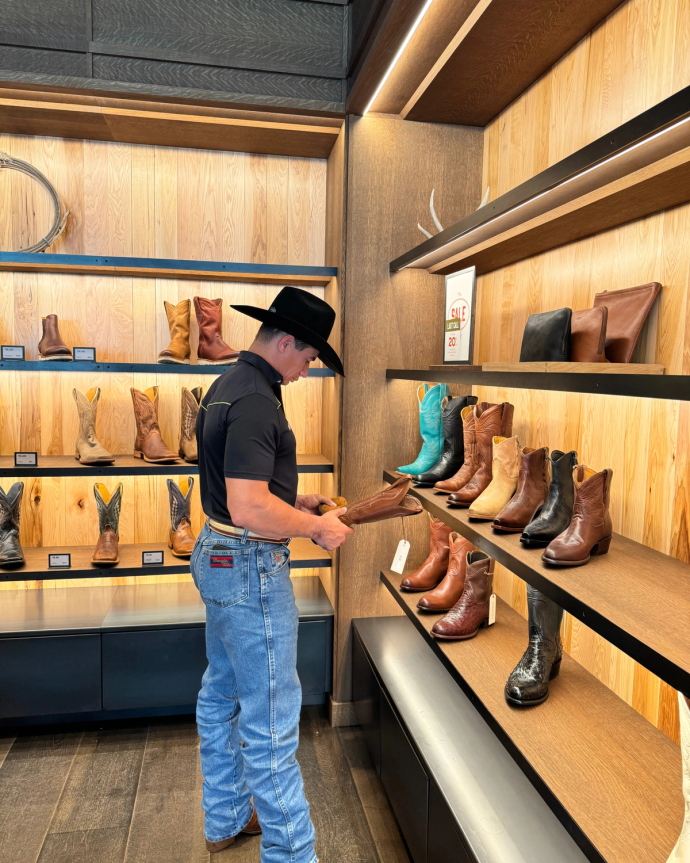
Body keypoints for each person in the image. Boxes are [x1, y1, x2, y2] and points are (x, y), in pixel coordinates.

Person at [191, 286, 352, 863]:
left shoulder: (228, 385)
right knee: (273, 721)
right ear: (286, 341)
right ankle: (292, 856)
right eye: (308, 359)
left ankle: (226, 816)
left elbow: (242, 489)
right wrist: (314, 529)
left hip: (218, 552)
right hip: (251, 566)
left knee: (222, 694)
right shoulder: (259, 400)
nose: (306, 372)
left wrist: (297, 500)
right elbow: (251, 509)